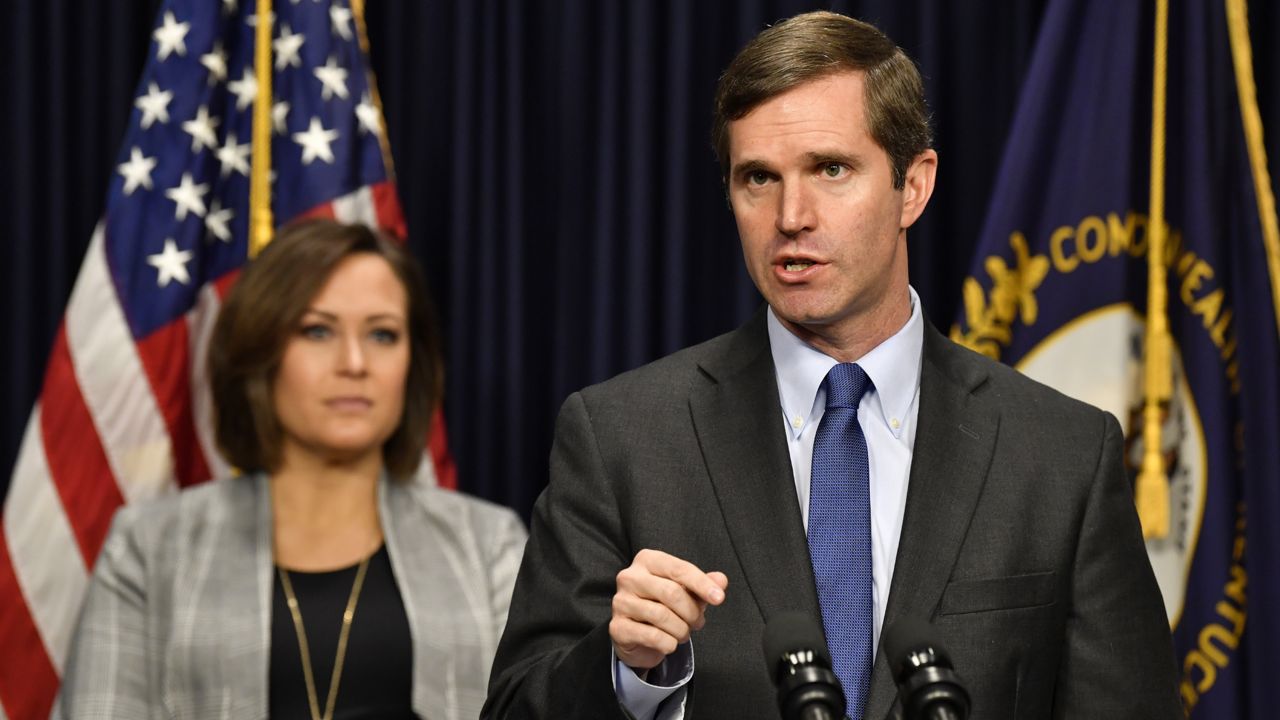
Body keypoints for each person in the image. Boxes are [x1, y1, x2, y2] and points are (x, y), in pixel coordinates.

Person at [484, 11, 1180, 720]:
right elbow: (514, 708)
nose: (792, 215)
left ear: (914, 186)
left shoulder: (1062, 456)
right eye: (758, 177)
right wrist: (626, 671)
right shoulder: (622, 439)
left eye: (831, 169)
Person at [58, 219, 526, 720]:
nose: (354, 362)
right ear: (260, 352)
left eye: (383, 335)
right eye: (318, 330)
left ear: (414, 362)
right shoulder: (149, 548)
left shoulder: (488, 546)